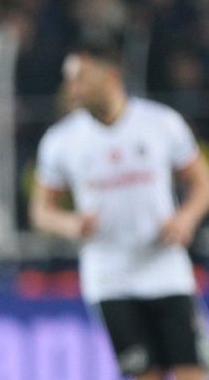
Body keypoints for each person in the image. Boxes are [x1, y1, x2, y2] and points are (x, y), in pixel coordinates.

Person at [29, 40, 209, 380]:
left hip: (166, 270)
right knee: (144, 375)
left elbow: (202, 182)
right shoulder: (61, 141)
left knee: (191, 373)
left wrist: (186, 219)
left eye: (80, 78)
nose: (72, 88)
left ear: (110, 76)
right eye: (69, 79)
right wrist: (69, 224)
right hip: (109, 278)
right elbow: (41, 211)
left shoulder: (161, 123)